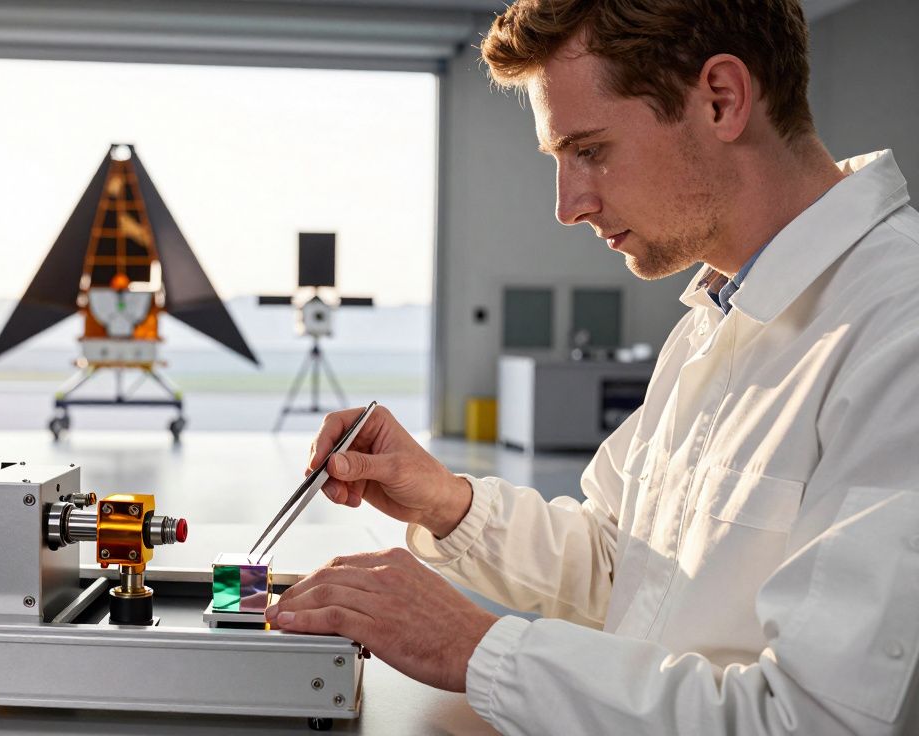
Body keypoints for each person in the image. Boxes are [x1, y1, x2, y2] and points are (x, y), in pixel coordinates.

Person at [263, 1, 919, 733]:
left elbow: (814, 721)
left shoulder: (898, 331)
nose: (568, 206)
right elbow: (625, 566)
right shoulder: (717, 319)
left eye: (590, 150)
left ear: (721, 99)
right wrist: (445, 503)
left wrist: (473, 646)